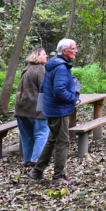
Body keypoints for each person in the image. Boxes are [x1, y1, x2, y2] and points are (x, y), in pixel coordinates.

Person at [29, 39, 80, 184]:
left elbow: (43, 87)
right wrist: (73, 99)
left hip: (51, 109)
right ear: (64, 51)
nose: (76, 51)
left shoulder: (52, 65)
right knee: (62, 143)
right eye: (73, 48)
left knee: (52, 140)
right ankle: (58, 177)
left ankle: (37, 171)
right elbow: (59, 91)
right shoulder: (61, 68)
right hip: (59, 111)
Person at [14, 47, 49, 171]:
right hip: (35, 109)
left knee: (27, 136)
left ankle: (28, 160)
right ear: (37, 57)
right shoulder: (41, 70)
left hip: (21, 108)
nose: (46, 56)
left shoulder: (26, 69)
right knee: (42, 133)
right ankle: (36, 160)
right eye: (44, 54)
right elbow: (45, 90)